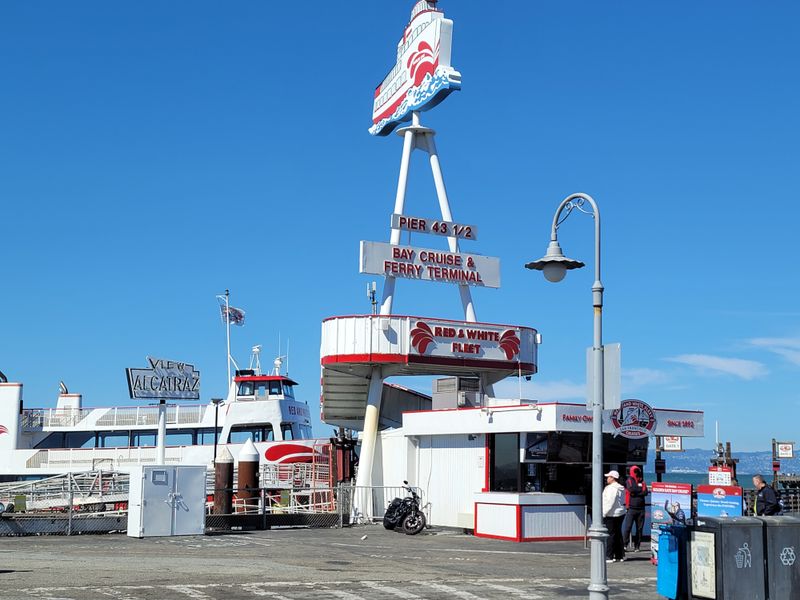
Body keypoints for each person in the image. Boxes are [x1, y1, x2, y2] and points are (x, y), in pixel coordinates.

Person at [621, 465, 647, 552]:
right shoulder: (629, 480)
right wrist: (640, 491)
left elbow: (646, 492)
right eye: (635, 471)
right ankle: (624, 545)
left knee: (639, 529)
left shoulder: (642, 481)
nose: (636, 472)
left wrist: (637, 493)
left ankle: (637, 546)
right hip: (631, 508)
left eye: (637, 471)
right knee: (628, 527)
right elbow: (631, 489)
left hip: (641, 509)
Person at [602, 469, 626, 563]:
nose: (607, 478)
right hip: (620, 513)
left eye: (608, 477)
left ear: (613, 478)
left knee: (611, 535)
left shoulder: (611, 488)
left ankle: (609, 555)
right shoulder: (621, 488)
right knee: (618, 533)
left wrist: (604, 513)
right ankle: (620, 555)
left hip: (611, 514)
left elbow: (609, 502)